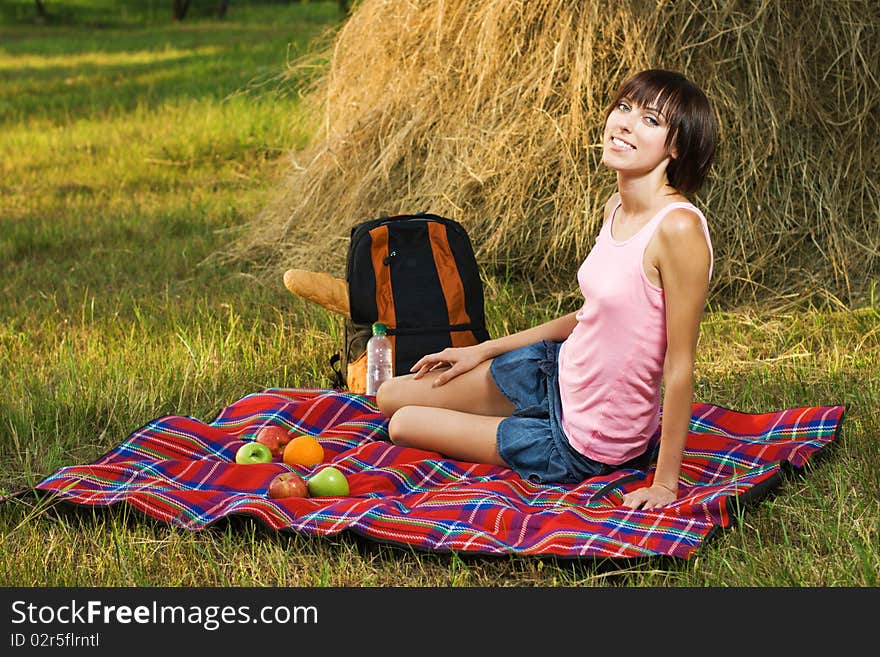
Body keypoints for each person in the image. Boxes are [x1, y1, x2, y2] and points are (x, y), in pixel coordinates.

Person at [376, 69, 717, 510]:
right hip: (555, 372)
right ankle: (500, 401)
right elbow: (592, 315)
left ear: (676, 147)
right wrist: (483, 350)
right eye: (624, 107)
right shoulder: (616, 206)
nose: (626, 124)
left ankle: (513, 424)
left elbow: (680, 364)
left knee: (403, 424)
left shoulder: (679, 228)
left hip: (584, 437)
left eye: (651, 120)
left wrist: (665, 484)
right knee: (388, 396)